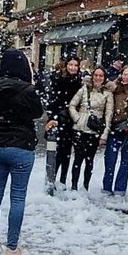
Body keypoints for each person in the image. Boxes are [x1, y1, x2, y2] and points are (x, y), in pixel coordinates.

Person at [0, 49, 43, 255]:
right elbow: (37, 113)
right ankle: (12, 248)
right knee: (17, 197)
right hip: (21, 146)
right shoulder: (27, 90)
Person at [67, 67, 113, 191]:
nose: (98, 78)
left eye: (101, 76)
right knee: (77, 159)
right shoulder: (84, 89)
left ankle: (85, 186)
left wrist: (105, 134)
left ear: (104, 78)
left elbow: (108, 115)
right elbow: (72, 105)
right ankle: (74, 186)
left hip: (94, 129)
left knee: (89, 160)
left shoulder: (107, 94)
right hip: (79, 127)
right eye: (96, 75)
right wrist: (77, 118)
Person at [45, 57, 83, 188]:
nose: (73, 68)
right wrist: (54, 116)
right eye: (70, 65)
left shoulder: (80, 81)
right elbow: (52, 100)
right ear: (66, 65)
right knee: (57, 151)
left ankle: (62, 180)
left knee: (67, 152)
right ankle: (52, 179)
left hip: (72, 120)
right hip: (59, 119)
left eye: (75, 65)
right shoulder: (58, 79)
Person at [102, 66, 128, 196]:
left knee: (125, 161)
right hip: (115, 127)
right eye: (124, 74)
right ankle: (107, 187)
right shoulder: (115, 88)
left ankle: (120, 188)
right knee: (110, 159)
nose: (126, 77)